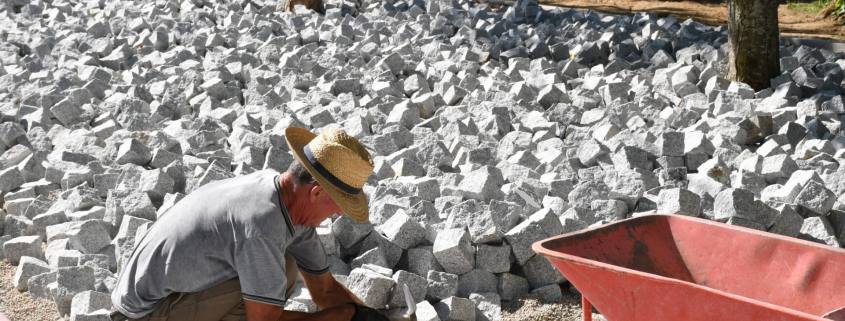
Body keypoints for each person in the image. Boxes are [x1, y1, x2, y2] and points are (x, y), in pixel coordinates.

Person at [110, 127, 388, 321]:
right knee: (271, 287)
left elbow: (325, 290)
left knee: (285, 269)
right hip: (145, 314)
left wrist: (369, 316)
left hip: (166, 294)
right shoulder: (262, 223)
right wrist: (343, 316)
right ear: (316, 193)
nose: (339, 214)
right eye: (338, 205)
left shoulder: (282, 195)